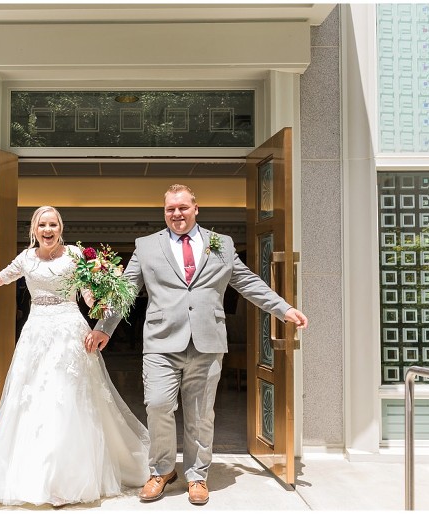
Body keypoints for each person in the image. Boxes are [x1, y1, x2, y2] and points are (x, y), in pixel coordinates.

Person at [88, 184, 308, 506]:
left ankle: (197, 475)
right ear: (164, 212)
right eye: (169, 209)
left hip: (207, 342)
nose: (176, 214)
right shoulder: (147, 246)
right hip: (162, 342)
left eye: (182, 207)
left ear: (196, 208)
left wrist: (283, 308)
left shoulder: (221, 244)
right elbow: (126, 290)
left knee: (201, 414)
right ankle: (162, 470)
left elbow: (246, 281)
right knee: (159, 405)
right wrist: (104, 328)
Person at [0, 205, 149, 507]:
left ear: (60, 228)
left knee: (68, 400)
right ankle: (37, 478)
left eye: (53, 224)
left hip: (70, 334)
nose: (48, 230)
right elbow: (1, 278)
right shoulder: (26, 258)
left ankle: (66, 481)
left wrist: (103, 302)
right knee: (35, 400)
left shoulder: (76, 257)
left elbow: (89, 298)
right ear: (34, 229)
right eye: (43, 225)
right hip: (36, 335)